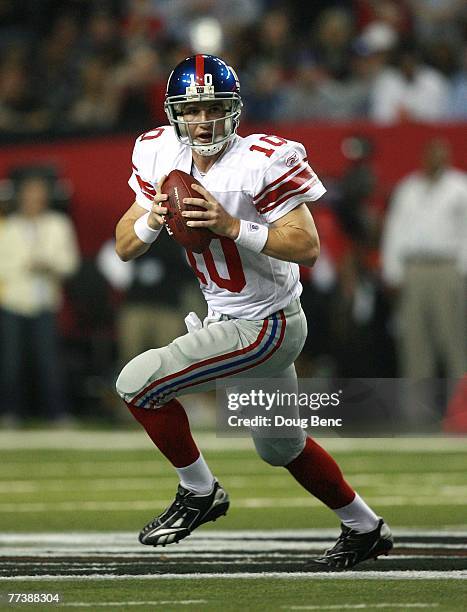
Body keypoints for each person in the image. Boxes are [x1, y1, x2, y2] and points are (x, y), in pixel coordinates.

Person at [114, 54, 393, 569]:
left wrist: (231, 225)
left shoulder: (262, 159)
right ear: (175, 113)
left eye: (214, 108)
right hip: (230, 320)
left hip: (267, 324)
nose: (203, 121)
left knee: (137, 382)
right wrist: (154, 216)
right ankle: (365, 526)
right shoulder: (156, 153)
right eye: (191, 110)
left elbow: (306, 246)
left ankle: (199, 491)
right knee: (280, 447)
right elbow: (125, 245)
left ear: (235, 110)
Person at [382, 139, 467, 380]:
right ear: (424, 157)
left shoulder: (460, 187)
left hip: (447, 267)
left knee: (453, 339)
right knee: (414, 340)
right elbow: (394, 230)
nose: (435, 159)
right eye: (431, 154)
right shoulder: (408, 188)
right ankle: (417, 412)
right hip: (414, 269)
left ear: (447, 156)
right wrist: (393, 270)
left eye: (440, 154)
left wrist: (462, 270)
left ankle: (460, 410)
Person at [0, 174, 80, 424]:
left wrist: (48, 264)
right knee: (11, 361)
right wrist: (25, 265)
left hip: (45, 303)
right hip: (13, 302)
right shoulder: (8, 226)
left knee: (49, 362)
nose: (35, 199)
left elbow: (70, 263)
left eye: (39, 194)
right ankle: (10, 413)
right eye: (30, 194)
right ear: (22, 197)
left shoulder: (58, 225)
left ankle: (57, 413)